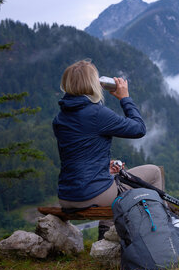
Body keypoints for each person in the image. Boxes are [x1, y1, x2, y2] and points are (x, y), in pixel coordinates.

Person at [52, 59, 164, 239]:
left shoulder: (60, 118)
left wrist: (103, 165)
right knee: (154, 172)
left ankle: (106, 238)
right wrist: (125, 98)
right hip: (91, 195)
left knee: (113, 181)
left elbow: (78, 154)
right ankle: (158, 232)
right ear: (93, 84)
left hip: (67, 196)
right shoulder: (97, 113)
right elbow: (139, 128)